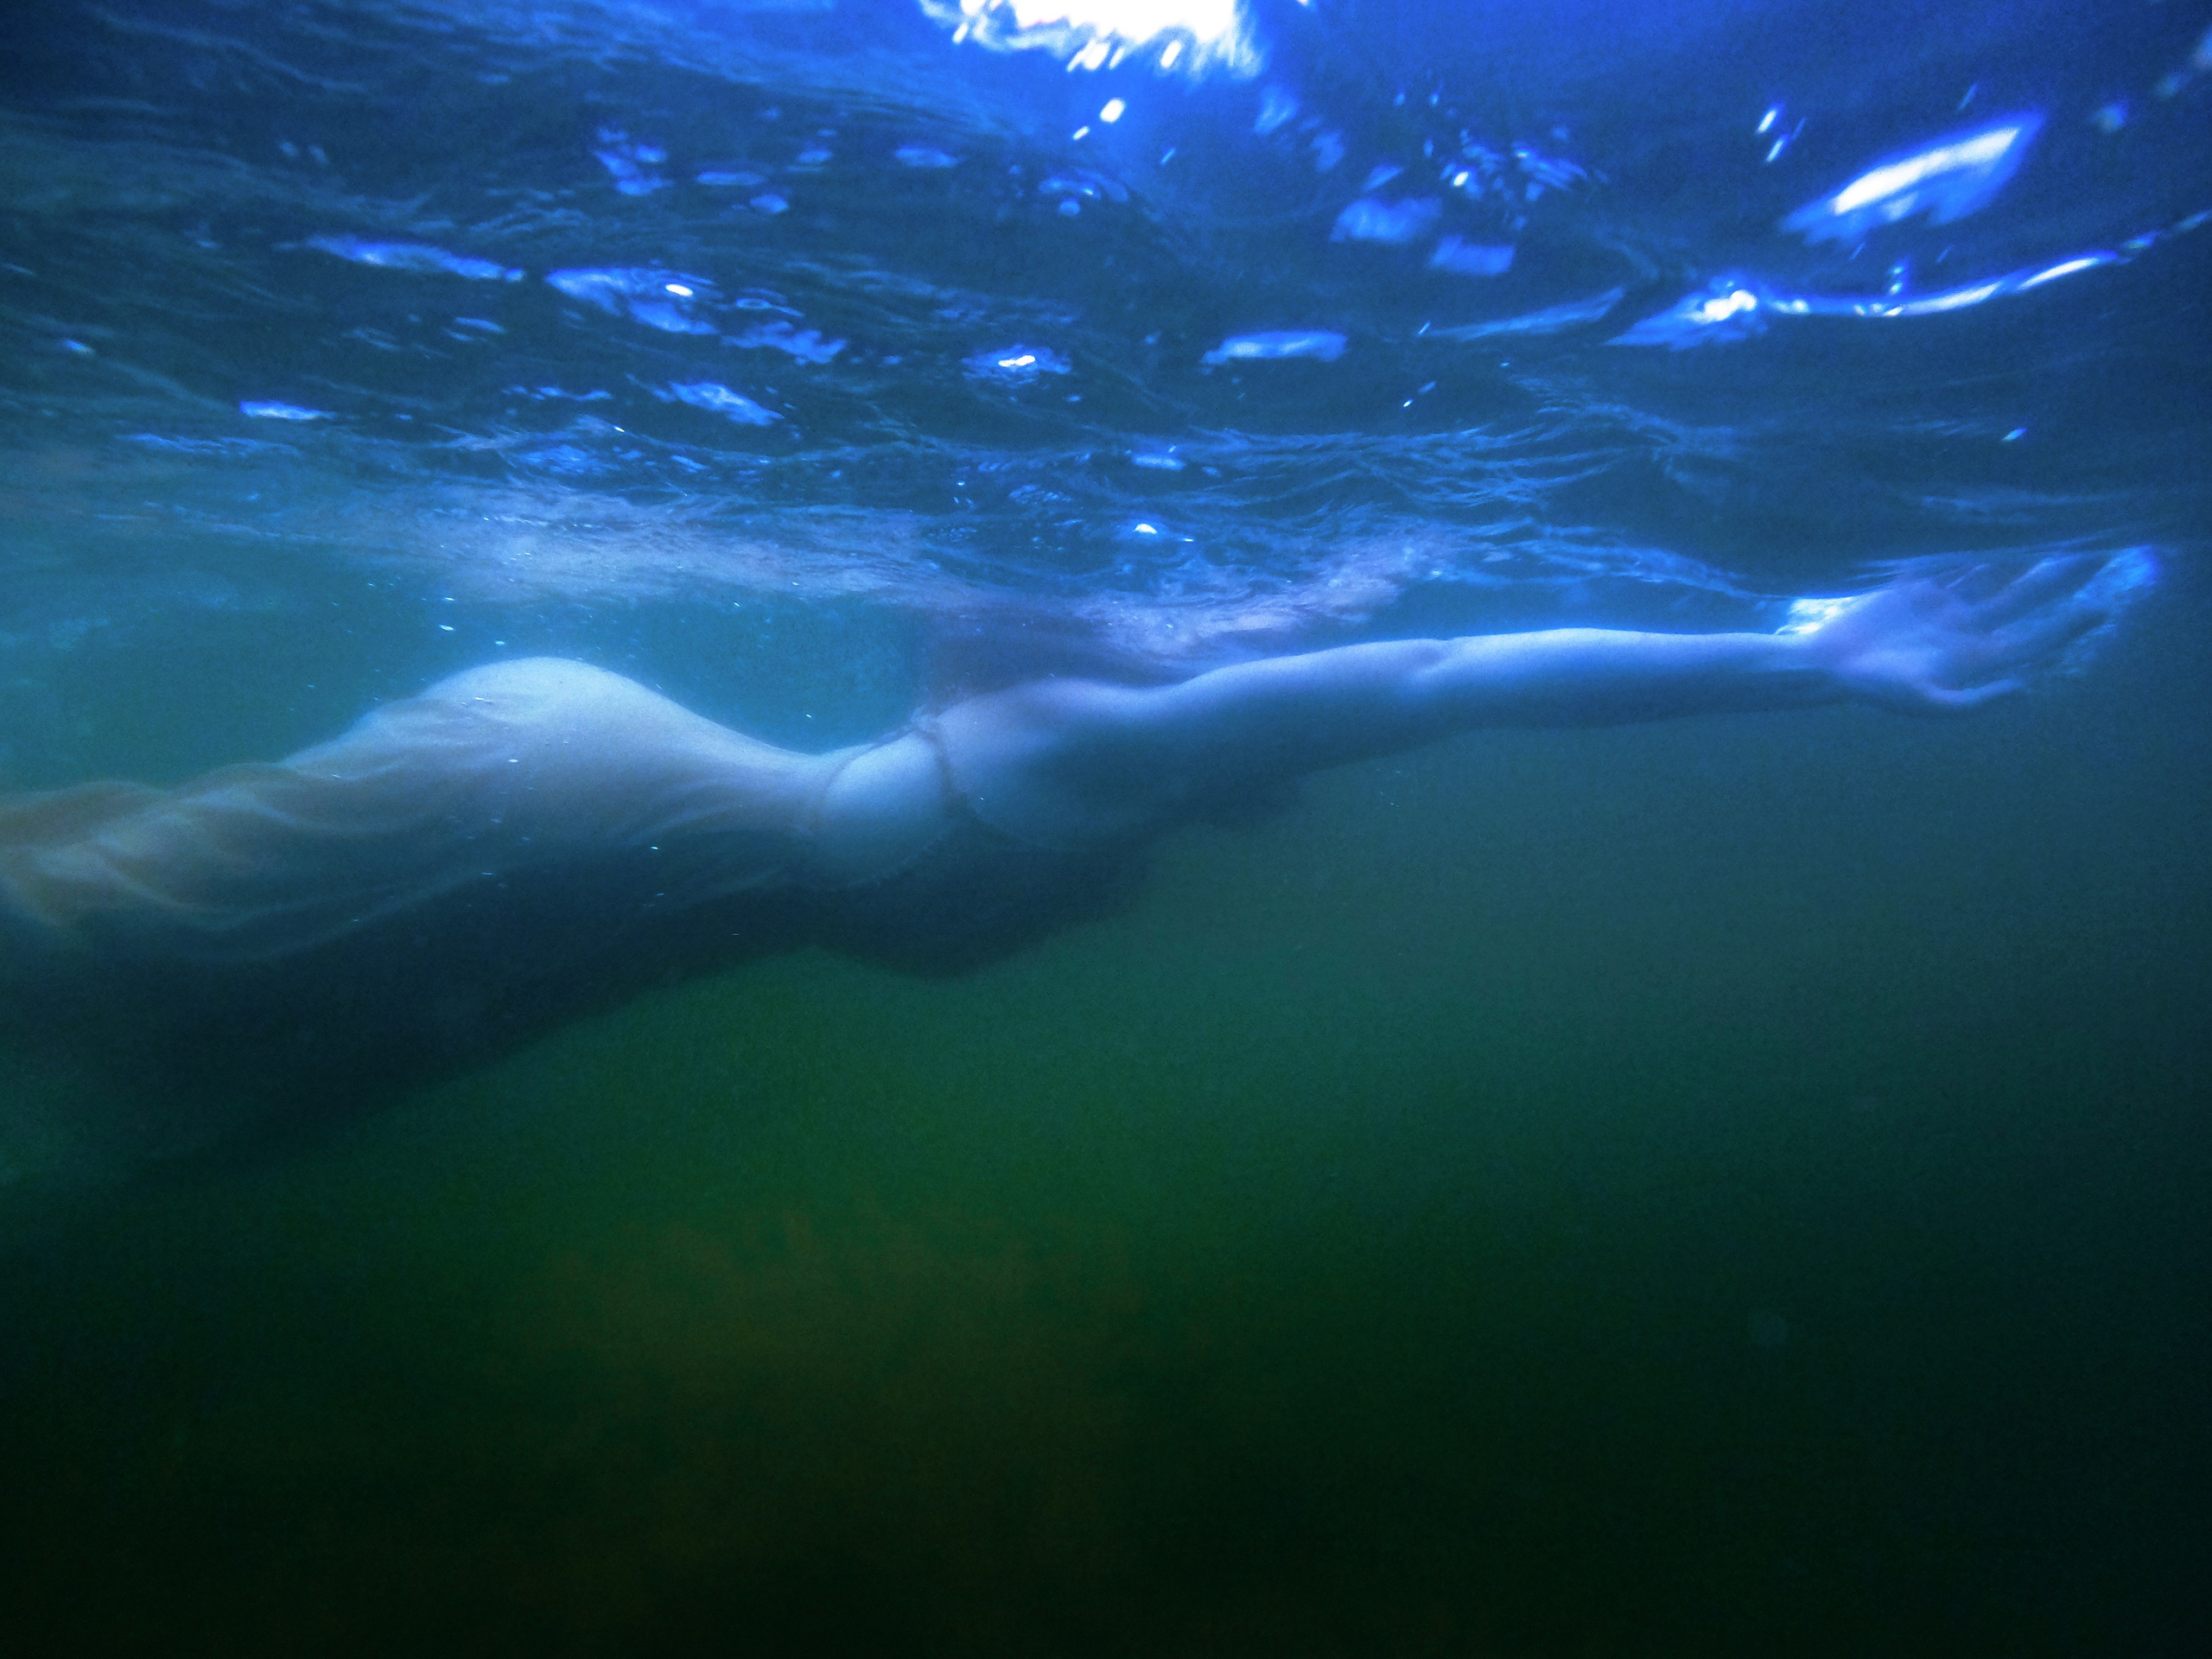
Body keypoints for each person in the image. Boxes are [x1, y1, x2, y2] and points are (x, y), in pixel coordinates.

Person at [0, 554, 2133, 1112]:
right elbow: (1440, 678)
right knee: (99, 950)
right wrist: (1802, 657)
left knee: (134, 971)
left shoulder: (1077, 747)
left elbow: (1365, 669)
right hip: (567, 802)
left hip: (575, 832)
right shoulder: (1074, 757)